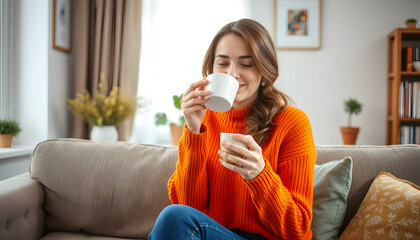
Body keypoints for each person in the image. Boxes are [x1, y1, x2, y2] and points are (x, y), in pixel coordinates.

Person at [149, 18, 316, 240]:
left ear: (264, 71)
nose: (232, 74)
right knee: (174, 217)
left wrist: (259, 175)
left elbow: (297, 230)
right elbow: (187, 207)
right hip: (212, 234)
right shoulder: (203, 119)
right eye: (223, 63)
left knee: (173, 217)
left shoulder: (292, 123)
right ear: (211, 70)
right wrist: (192, 131)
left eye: (246, 64)